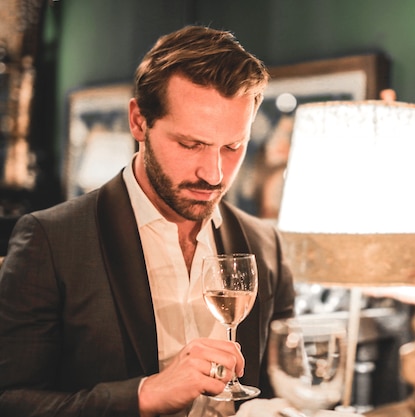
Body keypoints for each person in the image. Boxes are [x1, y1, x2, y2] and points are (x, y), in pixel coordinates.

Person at [0, 25, 295, 417]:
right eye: (191, 144)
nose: (214, 173)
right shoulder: (50, 240)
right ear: (139, 121)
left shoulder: (266, 245)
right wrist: (144, 395)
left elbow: (282, 387)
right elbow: (11, 401)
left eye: (232, 147)